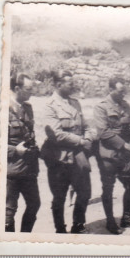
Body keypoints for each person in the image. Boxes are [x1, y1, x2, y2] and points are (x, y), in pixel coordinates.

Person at [41, 70, 95, 234]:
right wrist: (80, 140)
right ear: (58, 85)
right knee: (59, 196)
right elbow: (56, 134)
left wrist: (89, 135)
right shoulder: (50, 106)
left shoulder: (75, 103)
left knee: (85, 192)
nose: (73, 86)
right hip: (59, 158)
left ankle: (78, 224)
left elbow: (85, 125)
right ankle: (60, 229)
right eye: (69, 83)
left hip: (78, 156)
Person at [93, 77, 130, 235]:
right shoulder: (101, 107)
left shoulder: (126, 105)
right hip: (108, 155)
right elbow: (103, 132)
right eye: (121, 91)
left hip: (125, 155)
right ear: (111, 90)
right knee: (108, 188)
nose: (124, 94)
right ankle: (110, 221)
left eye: (124, 91)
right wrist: (123, 144)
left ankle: (126, 217)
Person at [6, 73, 40, 232]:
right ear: (17, 88)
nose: (31, 92)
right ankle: (9, 245)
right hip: (10, 170)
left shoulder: (27, 108)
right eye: (28, 89)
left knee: (34, 204)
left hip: (28, 169)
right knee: (8, 213)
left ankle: (24, 237)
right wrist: (14, 150)